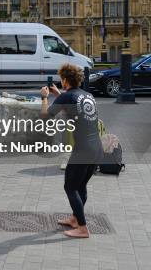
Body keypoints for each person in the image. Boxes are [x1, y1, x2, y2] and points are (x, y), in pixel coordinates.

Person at [41, 64, 103, 238]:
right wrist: (59, 95)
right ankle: (76, 219)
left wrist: (45, 98)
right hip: (96, 148)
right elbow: (75, 106)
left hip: (83, 150)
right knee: (80, 185)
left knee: (70, 186)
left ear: (65, 80)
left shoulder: (67, 96)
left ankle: (83, 228)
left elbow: (45, 117)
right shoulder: (87, 95)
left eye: (61, 78)